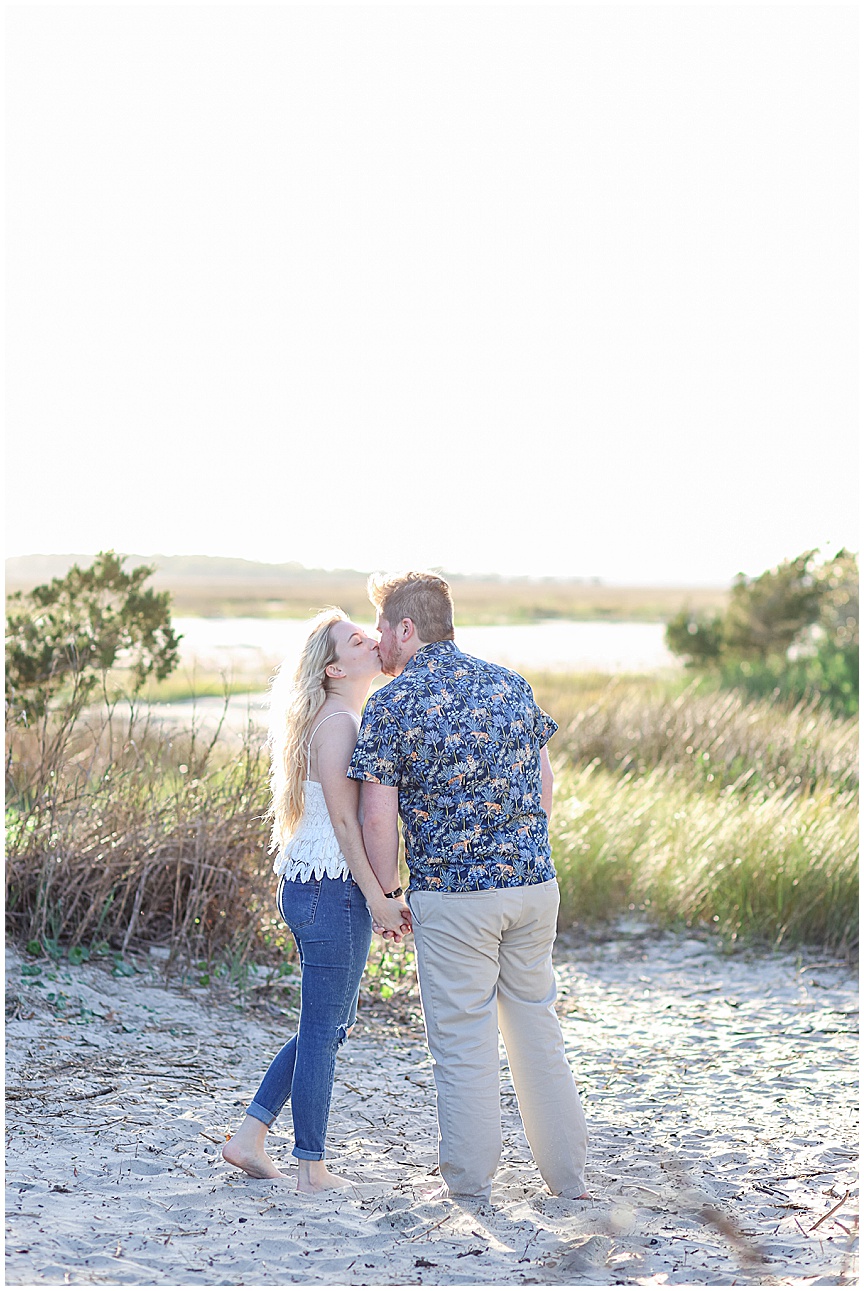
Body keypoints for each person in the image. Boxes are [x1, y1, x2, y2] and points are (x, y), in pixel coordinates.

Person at [347, 572, 588, 1204]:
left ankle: (470, 1185)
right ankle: (568, 1180)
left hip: (454, 897)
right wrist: (518, 846)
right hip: (534, 884)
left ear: (407, 628)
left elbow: (377, 815)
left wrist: (386, 891)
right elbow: (544, 786)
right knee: (537, 1028)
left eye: (381, 628)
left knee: (461, 1041)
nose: (378, 643)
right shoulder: (510, 685)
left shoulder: (392, 706)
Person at [223, 609, 411, 1192]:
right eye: (358, 639)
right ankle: (311, 1167)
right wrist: (381, 898)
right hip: (329, 888)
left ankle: (250, 1138)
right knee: (325, 1027)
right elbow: (345, 823)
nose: (375, 639)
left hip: (318, 887)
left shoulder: (339, 716)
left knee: (324, 1026)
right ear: (333, 667)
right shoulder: (337, 724)